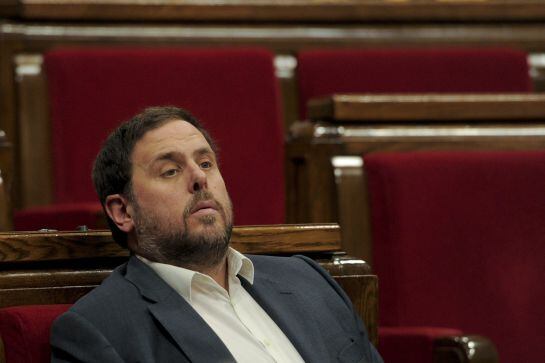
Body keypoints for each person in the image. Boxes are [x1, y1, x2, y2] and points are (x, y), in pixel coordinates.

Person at [50, 106, 383, 363]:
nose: (199, 178)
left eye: (206, 163)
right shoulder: (101, 331)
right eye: (170, 170)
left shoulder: (308, 280)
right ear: (124, 212)